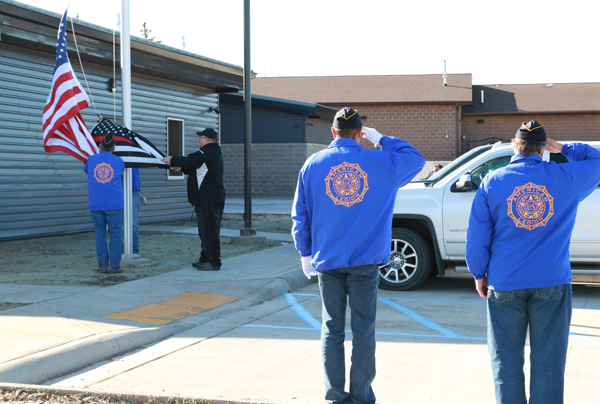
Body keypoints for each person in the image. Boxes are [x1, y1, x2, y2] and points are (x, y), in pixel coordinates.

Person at [292, 107, 425, 404]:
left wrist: (305, 252)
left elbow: (300, 215)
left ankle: (335, 397)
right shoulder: (380, 161)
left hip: (327, 260)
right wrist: (383, 139)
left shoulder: (313, 164)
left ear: (333, 132)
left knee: (331, 329)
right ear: (359, 133)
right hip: (365, 262)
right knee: (364, 331)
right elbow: (416, 159)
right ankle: (362, 396)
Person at [466, 120, 600, 404]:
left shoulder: (493, 180)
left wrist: (479, 273)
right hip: (551, 283)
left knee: (506, 365)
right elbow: (597, 160)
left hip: (504, 283)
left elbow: (477, 235)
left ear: (516, 147)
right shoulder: (566, 177)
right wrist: (564, 148)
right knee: (549, 366)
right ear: (543, 149)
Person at [162, 128, 225, 271]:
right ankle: (205, 258)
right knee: (206, 231)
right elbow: (198, 168)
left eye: (201, 137)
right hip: (211, 198)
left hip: (209, 198)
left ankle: (213, 262)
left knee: (209, 231)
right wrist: (182, 169)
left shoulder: (206, 152)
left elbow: (190, 160)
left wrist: (172, 159)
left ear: (208, 140)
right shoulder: (213, 153)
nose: (199, 139)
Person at [84, 133, 125, 274]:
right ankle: (115, 267)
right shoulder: (119, 161)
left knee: (100, 235)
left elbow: (86, 171)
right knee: (115, 235)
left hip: (96, 204)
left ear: (100, 146)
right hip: (114, 204)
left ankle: (102, 267)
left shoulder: (91, 159)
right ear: (114, 148)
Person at [132, 167, 141, 255]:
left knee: (133, 223)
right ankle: (119, 249)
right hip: (117, 187)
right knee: (117, 223)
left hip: (133, 187)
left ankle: (134, 250)